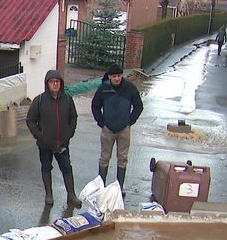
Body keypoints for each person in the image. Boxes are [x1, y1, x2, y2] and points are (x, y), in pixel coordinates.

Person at [26, 70, 81, 208]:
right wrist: (39, 135)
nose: (55, 84)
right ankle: (49, 194)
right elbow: (30, 120)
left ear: (61, 83)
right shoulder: (39, 100)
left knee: (67, 167)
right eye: (52, 82)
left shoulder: (67, 99)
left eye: (57, 81)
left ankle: (71, 195)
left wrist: (69, 132)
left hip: (62, 143)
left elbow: (73, 117)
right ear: (47, 84)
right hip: (45, 144)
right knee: (46, 167)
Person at [91, 64, 143, 197]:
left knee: (122, 158)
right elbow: (95, 106)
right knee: (104, 157)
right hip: (107, 129)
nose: (117, 79)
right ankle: (101, 186)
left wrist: (130, 121)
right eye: (114, 76)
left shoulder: (130, 88)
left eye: (119, 76)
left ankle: (119, 187)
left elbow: (138, 106)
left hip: (124, 129)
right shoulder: (103, 89)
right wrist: (101, 122)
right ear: (109, 77)